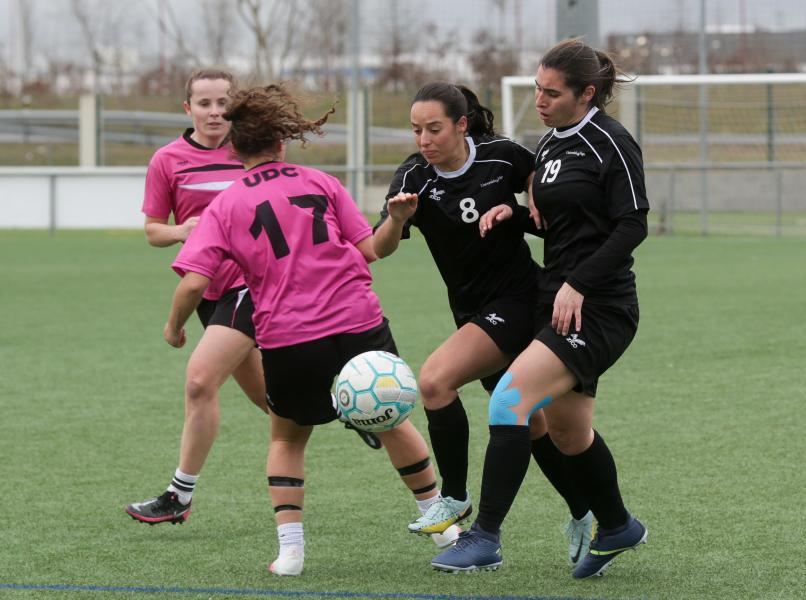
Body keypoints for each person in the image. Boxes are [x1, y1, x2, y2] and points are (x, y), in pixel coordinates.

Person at [163, 83, 450, 576]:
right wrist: (397, 220)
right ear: (281, 142)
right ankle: (443, 525)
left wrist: (174, 328)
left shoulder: (226, 206)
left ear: (235, 148)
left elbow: (193, 284)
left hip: (290, 336)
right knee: (393, 420)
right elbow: (374, 250)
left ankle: (291, 552)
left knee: (288, 441)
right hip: (359, 322)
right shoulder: (321, 182)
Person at [430, 39, 650, 579]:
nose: (540, 99)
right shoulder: (550, 144)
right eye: (537, 88)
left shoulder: (611, 143)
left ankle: (484, 537)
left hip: (601, 306)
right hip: (559, 303)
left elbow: (632, 223)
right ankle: (618, 523)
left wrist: (579, 282)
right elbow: (561, 224)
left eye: (552, 92)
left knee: (509, 401)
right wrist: (515, 213)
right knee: (569, 435)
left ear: (587, 93)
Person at [126, 69, 377, 528]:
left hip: (252, 286)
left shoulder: (250, 149)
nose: (215, 111)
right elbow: (152, 231)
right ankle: (355, 404)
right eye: (204, 103)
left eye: (223, 102)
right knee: (272, 400)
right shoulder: (168, 159)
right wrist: (182, 231)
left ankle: (179, 494)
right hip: (210, 289)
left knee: (200, 380)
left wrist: (173, 324)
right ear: (188, 109)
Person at [373, 82, 594, 565]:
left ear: (461, 124)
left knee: (434, 381)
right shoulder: (414, 176)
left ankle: (452, 499)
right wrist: (396, 219)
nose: (424, 139)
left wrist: (529, 201)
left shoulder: (499, 156)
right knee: (534, 427)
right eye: (416, 130)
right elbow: (377, 249)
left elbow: (541, 191)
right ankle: (583, 512)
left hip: (519, 299)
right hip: (472, 310)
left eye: (434, 128)